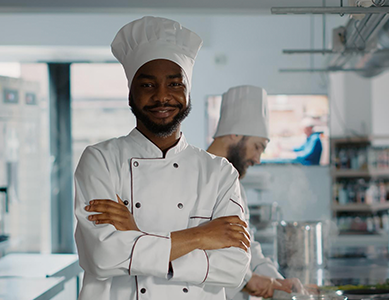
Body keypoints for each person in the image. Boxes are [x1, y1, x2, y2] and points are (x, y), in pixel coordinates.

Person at [74, 17, 251, 300]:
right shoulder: (100, 160)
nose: (162, 97)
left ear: (187, 90)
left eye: (175, 84)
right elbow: (102, 256)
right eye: (147, 85)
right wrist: (199, 237)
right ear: (130, 92)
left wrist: (135, 237)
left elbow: (234, 269)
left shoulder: (219, 173)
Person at [207, 85, 304, 300]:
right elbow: (196, 249)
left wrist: (280, 284)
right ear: (235, 133)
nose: (258, 159)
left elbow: (247, 246)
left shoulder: (235, 183)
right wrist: (247, 280)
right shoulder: (196, 176)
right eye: (258, 146)